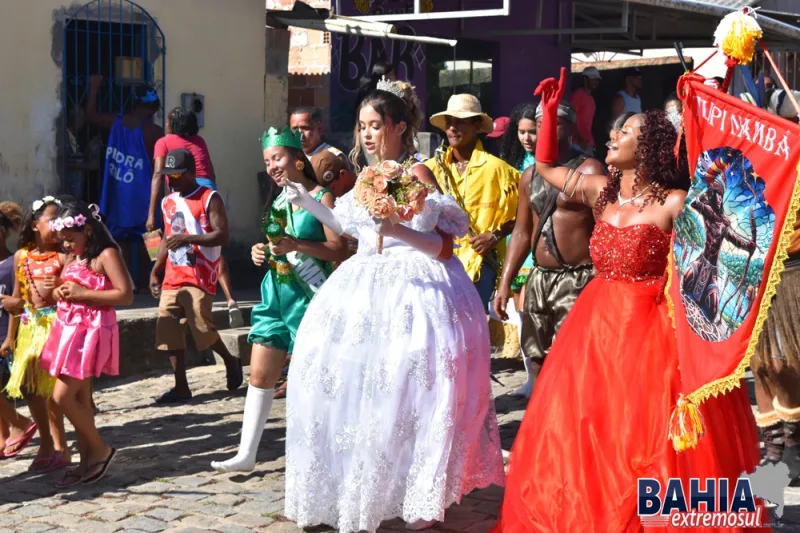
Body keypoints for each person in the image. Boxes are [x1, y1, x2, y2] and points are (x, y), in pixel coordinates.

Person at [492, 69, 762, 533]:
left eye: (626, 131)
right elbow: (545, 169)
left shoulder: (677, 203)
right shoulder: (603, 194)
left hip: (653, 336)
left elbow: (714, 253)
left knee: (645, 435)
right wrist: (550, 117)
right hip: (595, 331)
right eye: (616, 129)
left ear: (651, 147)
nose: (613, 135)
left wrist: (712, 107)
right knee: (587, 428)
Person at [282, 79, 505, 533]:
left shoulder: (418, 173)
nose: (366, 134)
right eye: (362, 126)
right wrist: (304, 199)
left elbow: (444, 246)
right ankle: (366, 485)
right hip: (363, 282)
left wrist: (396, 230)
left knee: (415, 388)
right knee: (354, 386)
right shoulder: (364, 176)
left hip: (417, 286)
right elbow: (346, 224)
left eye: (376, 125)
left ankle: (422, 494)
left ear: (401, 127)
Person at [210, 127, 345, 473]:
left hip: (308, 297)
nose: (271, 166)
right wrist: (261, 251)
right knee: (259, 374)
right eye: (267, 161)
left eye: (277, 158)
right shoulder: (278, 201)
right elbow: (276, 247)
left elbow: (338, 249)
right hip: (275, 294)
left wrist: (297, 246)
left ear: (298, 158)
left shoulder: (321, 197)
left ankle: (319, 455)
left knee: (310, 381)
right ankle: (247, 453)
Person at [494, 102, 603, 399]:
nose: (542, 131)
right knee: (536, 356)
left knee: (577, 357)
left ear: (569, 128)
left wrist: (598, 278)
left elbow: (604, 229)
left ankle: (577, 426)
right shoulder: (529, 175)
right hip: (540, 277)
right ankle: (539, 429)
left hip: (578, 279)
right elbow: (521, 231)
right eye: (539, 124)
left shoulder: (590, 169)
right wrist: (505, 282)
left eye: (551, 123)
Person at [39, 201, 132, 486]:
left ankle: (101, 450)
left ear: (88, 230)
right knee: (78, 400)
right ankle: (86, 460)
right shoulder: (72, 258)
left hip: (90, 333)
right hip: (68, 332)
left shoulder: (106, 254)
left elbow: (125, 295)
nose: (67, 245)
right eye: (63, 241)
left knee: (61, 398)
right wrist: (57, 292)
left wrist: (83, 293)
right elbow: (65, 287)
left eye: (71, 239)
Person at [149, 149, 243, 403]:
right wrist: (156, 269)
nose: (172, 180)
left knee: (201, 326)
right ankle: (181, 386)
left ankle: (229, 358)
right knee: (167, 327)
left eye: (177, 175)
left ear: (191, 173)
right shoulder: (168, 201)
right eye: (168, 175)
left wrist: (188, 239)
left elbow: (222, 235)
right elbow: (168, 239)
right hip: (173, 273)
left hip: (201, 273)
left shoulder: (209, 198)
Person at [148, 107, 244, 328]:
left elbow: (158, 176)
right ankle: (230, 299)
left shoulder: (164, 141)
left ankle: (172, 279)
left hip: (185, 188)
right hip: (207, 188)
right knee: (214, 253)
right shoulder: (200, 141)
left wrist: (151, 212)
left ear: (172, 124)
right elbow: (210, 170)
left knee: (175, 238)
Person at [426, 94, 520, 312]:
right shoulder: (430, 169)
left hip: (478, 265)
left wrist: (494, 235)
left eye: (461, 122)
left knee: (472, 332)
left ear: (477, 125)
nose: (452, 128)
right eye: (449, 122)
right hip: (436, 262)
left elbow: (524, 215)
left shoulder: (498, 169)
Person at [1, 197, 71, 472]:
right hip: (30, 331)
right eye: (50, 220)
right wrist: (10, 337)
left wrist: (61, 285)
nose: (56, 226)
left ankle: (60, 446)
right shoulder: (22, 257)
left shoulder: (65, 256)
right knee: (33, 391)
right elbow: (18, 302)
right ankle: (45, 441)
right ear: (34, 225)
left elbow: (73, 294)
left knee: (54, 392)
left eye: (59, 220)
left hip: (59, 328)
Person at [750, 93, 800, 482]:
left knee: (789, 363)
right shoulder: (758, 163)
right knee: (762, 364)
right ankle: (774, 447)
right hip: (757, 274)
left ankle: (793, 444)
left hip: (795, 273)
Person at [87, 75, 164, 291]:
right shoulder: (155, 132)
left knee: (121, 242)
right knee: (151, 241)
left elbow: (91, 115)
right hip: (144, 197)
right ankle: (150, 280)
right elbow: (160, 169)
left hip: (118, 195)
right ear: (153, 108)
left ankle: (125, 282)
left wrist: (93, 88)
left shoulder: (115, 122)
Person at [492, 104, 537, 359]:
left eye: (532, 131)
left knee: (532, 307)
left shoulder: (548, 162)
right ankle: (529, 373)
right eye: (521, 132)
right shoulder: (511, 161)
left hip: (537, 239)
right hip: (513, 235)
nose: (527, 138)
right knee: (519, 305)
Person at [0, 202, 38, 459]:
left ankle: (21, 423)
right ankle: (3, 437)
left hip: (5, 333)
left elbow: (18, 302)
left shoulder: (13, 262)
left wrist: (10, 337)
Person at [570, 66, 602, 155]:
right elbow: (569, 118)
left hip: (587, 145)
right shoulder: (578, 95)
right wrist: (580, 140)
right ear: (585, 79)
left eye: (597, 79)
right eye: (593, 79)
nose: (595, 82)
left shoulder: (591, 98)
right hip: (577, 144)